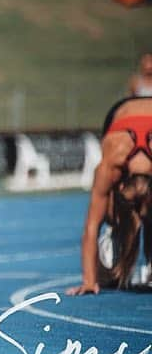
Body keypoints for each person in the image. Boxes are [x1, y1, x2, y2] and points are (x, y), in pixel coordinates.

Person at [67, 97, 152, 295]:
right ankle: (115, 229)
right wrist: (89, 280)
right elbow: (92, 225)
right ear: (120, 184)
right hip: (121, 113)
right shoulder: (111, 165)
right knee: (111, 213)